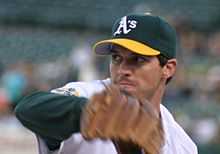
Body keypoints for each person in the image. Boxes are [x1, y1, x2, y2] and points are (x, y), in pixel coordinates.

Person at [15, 13, 198, 154]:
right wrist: (91, 113)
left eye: (138, 60)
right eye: (117, 58)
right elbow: (29, 109)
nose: (123, 69)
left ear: (168, 68)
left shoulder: (183, 145)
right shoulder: (90, 95)